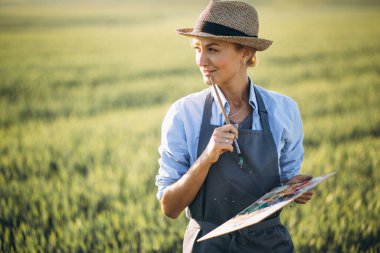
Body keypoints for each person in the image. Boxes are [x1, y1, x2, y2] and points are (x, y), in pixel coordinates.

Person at [155, 1, 313, 252]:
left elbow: (285, 181)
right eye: (197, 48)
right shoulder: (184, 114)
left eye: (213, 49)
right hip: (208, 246)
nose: (201, 60)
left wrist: (295, 188)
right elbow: (170, 207)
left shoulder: (284, 110)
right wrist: (207, 158)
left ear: (246, 53)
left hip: (269, 245)